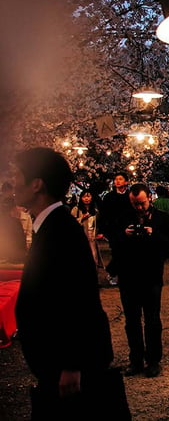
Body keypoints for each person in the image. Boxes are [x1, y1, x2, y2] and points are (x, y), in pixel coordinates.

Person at [12, 148, 128, 419]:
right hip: (55, 360)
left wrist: (71, 364)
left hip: (66, 366)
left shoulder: (61, 230)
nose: (12, 183)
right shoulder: (51, 225)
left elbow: (81, 299)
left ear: (37, 183)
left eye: (17, 175)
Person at [115, 183, 169, 378]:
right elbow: (113, 242)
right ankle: (136, 359)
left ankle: (153, 360)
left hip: (151, 275)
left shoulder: (162, 218)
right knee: (131, 320)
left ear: (149, 197)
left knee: (152, 320)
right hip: (128, 275)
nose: (139, 207)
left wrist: (153, 234)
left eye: (141, 203)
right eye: (135, 204)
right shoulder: (123, 217)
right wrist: (124, 234)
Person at [98, 172, 133, 286]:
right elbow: (104, 214)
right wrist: (103, 230)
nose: (117, 181)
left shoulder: (130, 196)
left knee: (126, 253)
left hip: (128, 228)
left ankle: (116, 273)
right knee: (117, 252)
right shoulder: (109, 197)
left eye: (120, 179)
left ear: (126, 182)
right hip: (113, 229)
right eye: (116, 179)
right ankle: (112, 273)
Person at [71, 190, 102, 269]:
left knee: (94, 259)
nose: (86, 198)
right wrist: (82, 218)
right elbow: (71, 223)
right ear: (81, 198)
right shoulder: (76, 209)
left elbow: (98, 224)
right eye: (84, 196)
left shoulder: (95, 211)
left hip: (92, 239)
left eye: (88, 196)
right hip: (81, 238)